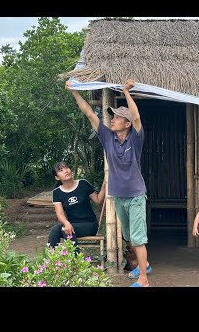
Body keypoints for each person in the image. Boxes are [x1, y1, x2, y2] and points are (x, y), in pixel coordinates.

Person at [66, 78, 151, 287]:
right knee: (130, 237)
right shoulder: (107, 137)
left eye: (118, 117)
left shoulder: (135, 139)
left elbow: (137, 117)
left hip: (136, 195)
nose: (112, 119)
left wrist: (126, 92)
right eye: (112, 116)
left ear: (127, 124)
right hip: (118, 195)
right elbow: (89, 114)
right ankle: (145, 264)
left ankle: (144, 279)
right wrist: (75, 92)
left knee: (138, 239)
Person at [48, 161, 106, 251]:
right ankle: (54, 260)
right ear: (57, 177)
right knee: (56, 230)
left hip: (90, 225)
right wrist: (67, 223)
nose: (65, 171)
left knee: (64, 230)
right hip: (71, 226)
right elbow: (59, 213)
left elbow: (98, 200)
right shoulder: (57, 192)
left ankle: (75, 262)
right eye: (61, 170)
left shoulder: (83, 184)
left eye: (66, 168)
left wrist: (104, 185)